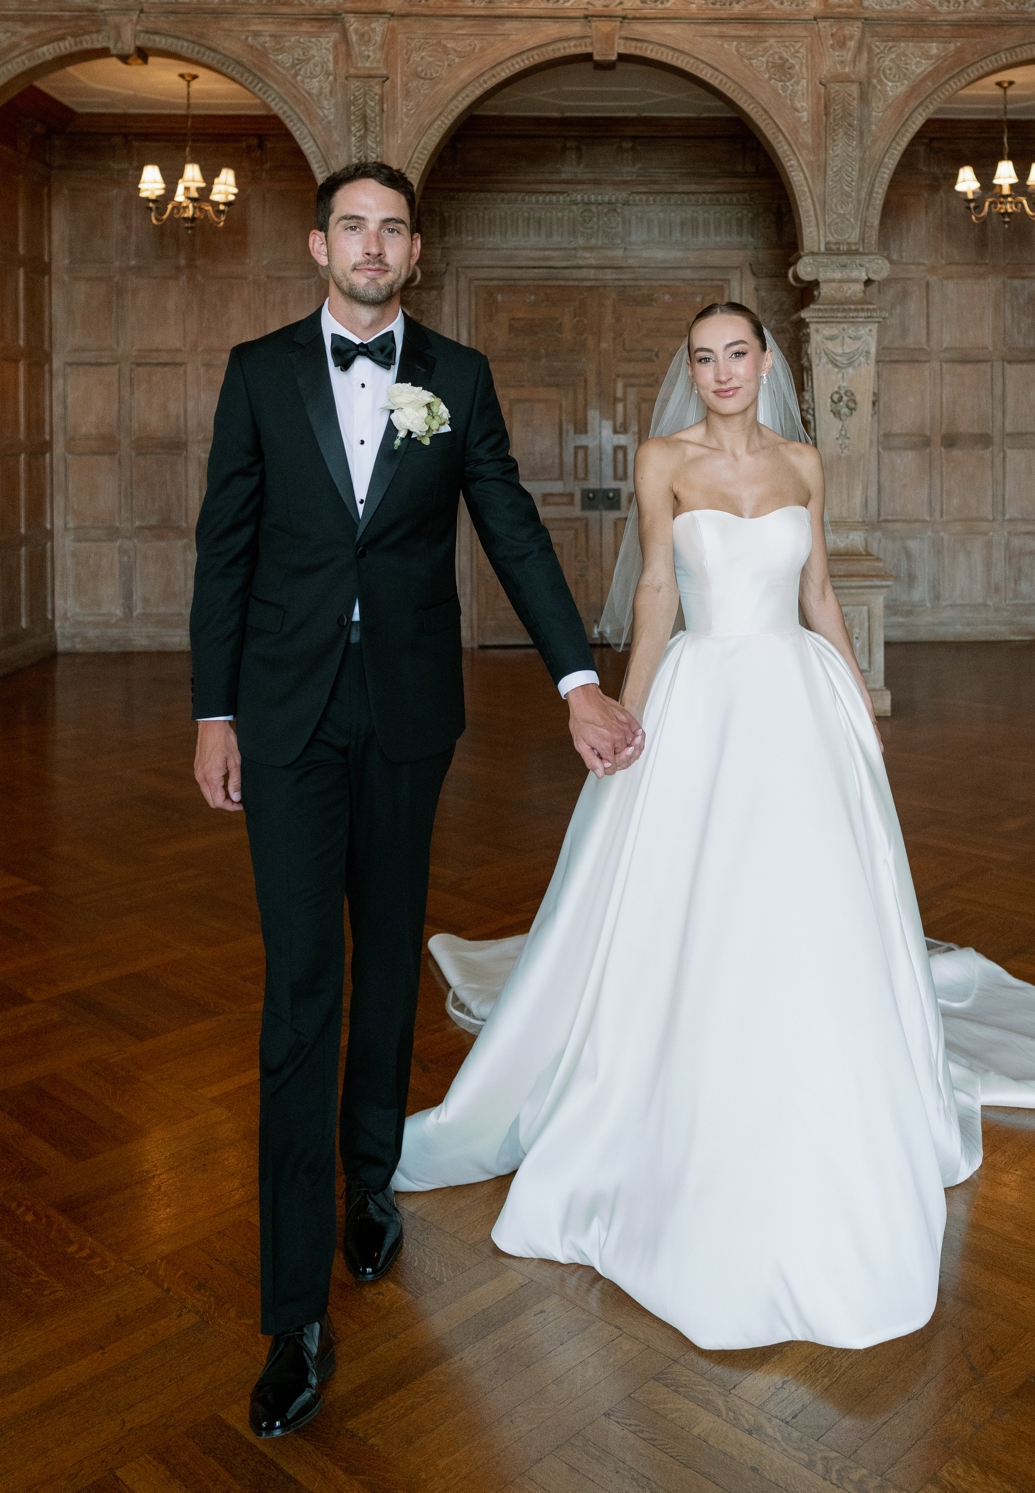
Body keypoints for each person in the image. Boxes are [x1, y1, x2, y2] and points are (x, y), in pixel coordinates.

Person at [394, 300, 1035, 1351]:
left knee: (809, 896)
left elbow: (817, 591)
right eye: (703, 357)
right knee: (699, 890)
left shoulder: (805, 463)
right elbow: (660, 588)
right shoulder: (662, 458)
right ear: (693, 371)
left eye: (735, 354)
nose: (720, 371)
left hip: (799, 700)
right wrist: (625, 705)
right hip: (703, 693)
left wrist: (857, 698)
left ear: (765, 363)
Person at [189, 161, 642, 1437]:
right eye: (353, 226)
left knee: (387, 957)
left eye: (392, 228)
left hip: (404, 712)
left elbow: (510, 528)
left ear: (415, 248)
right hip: (279, 717)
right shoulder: (258, 371)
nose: (372, 244)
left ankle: (370, 1176)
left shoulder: (460, 376)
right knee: (301, 987)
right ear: (317, 244)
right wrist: (210, 712)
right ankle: (293, 1314)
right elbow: (223, 546)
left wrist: (574, 680)